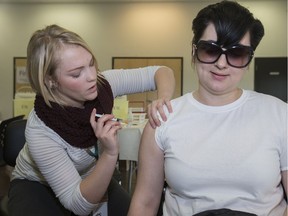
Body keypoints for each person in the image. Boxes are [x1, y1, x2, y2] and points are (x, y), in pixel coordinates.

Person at [128, 1, 287, 216]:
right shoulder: (164, 119)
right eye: (211, 50)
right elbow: (145, 203)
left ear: (248, 60)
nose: (221, 63)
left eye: (236, 53)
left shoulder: (279, 115)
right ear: (194, 51)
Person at [8, 24, 175, 216]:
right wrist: (110, 154)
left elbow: (161, 72)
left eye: (91, 63)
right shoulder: (40, 130)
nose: (92, 77)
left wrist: (163, 98)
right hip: (36, 184)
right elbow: (78, 205)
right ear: (50, 80)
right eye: (77, 73)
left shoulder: (104, 84)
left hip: (88, 175)